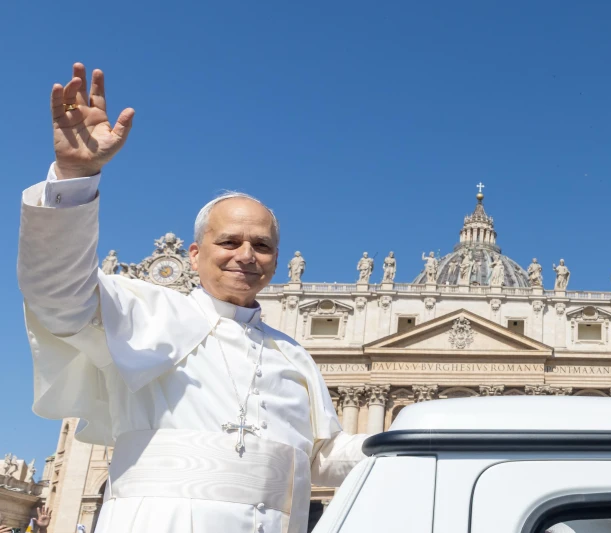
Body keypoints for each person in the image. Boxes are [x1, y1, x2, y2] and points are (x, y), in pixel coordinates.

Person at [18, 63, 367, 533]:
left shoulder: (294, 356)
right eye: (230, 242)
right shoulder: (144, 311)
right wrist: (75, 175)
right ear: (195, 253)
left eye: (261, 246)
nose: (246, 256)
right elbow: (56, 293)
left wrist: (424, 435)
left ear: (277, 260)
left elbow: (321, 457)